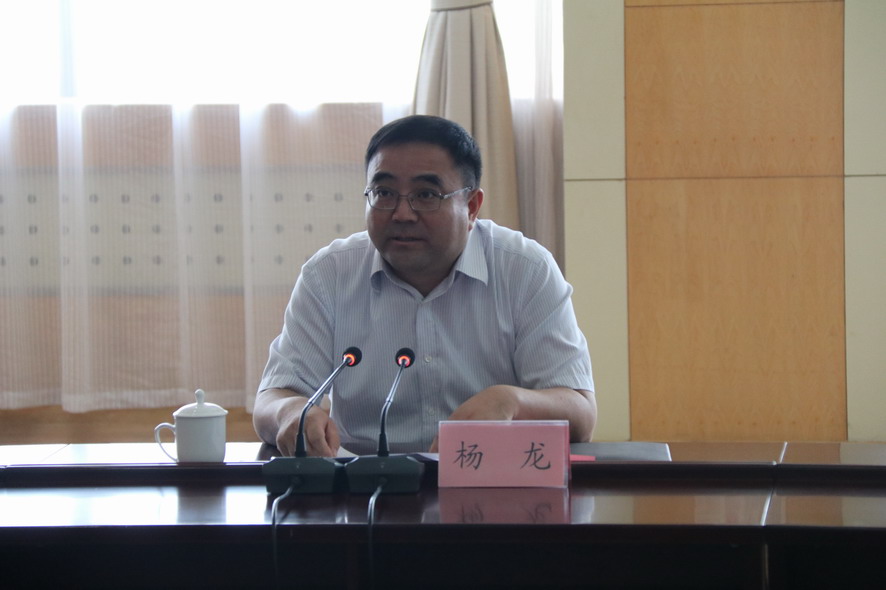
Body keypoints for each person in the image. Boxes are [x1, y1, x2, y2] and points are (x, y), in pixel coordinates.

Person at [254, 115, 596, 456]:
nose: (402, 213)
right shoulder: (329, 274)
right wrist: (291, 413)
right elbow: (274, 397)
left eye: (426, 194)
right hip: (363, 481)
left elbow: (580, 412)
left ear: (472, 206)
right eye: (384, 193)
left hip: (488, 479)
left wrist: (511, 401)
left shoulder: (525, 270)